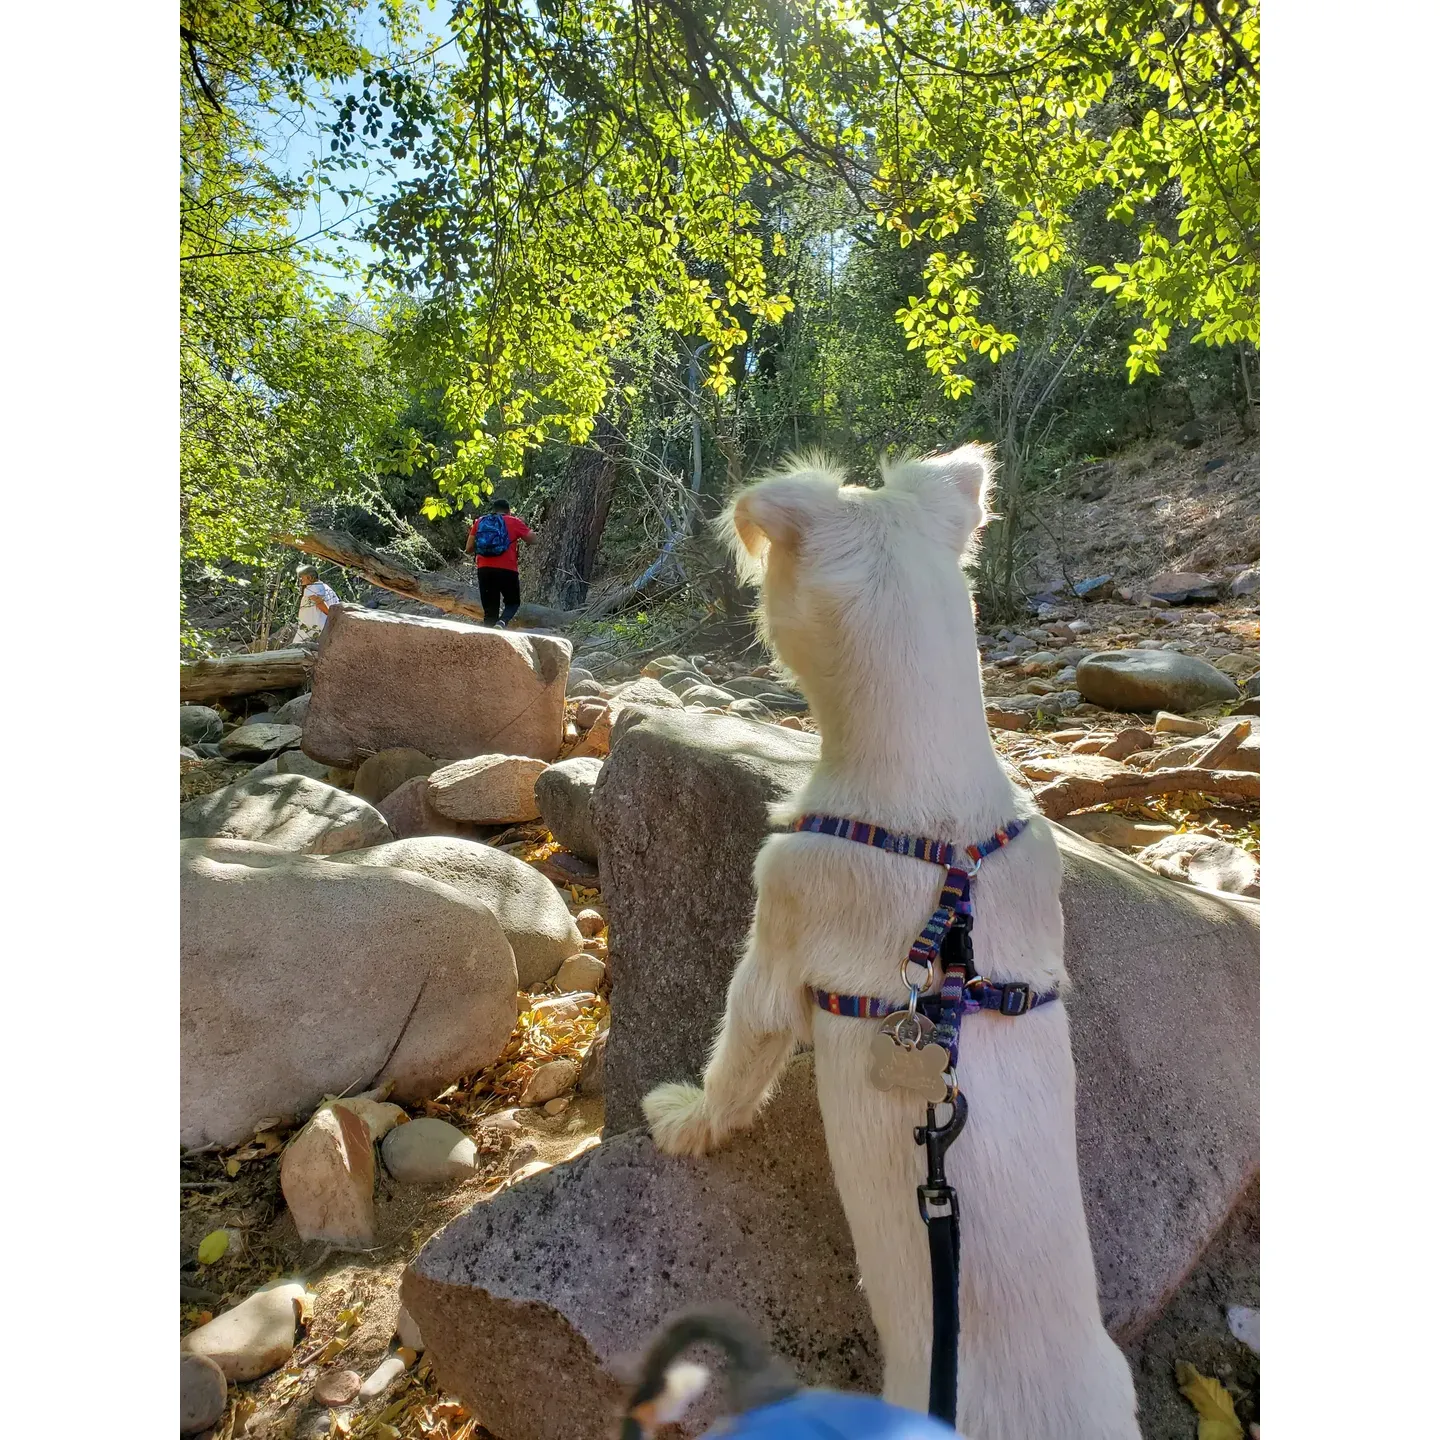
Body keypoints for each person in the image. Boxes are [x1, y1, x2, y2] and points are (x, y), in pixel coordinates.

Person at [464, 497, 534, 628]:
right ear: (509, 511)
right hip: (507, 569)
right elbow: (533, 539)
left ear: (494, 510)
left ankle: (489, 643)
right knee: (513, 603)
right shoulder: (514, 521)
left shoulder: (480, 521)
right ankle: (502, 622)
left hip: (484, 569)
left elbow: (468, 548)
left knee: (490, 612)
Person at [293, 564, 340, 647]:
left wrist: (330, 615)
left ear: (310, 577)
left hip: (312, 628)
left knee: (298, 649)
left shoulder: (312, 588)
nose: (301, 580)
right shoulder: (326, 587)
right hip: (323, 626)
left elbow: (320, 603)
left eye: (302, 577)